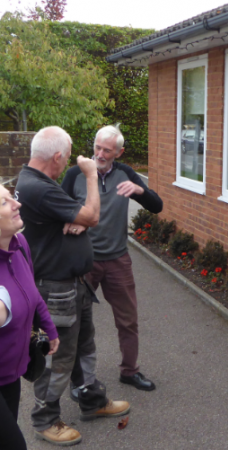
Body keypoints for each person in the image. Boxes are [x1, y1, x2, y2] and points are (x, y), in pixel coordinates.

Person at [15, 126, 130, 446]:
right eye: (65, 157)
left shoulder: (35, 182)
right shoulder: (39, 187)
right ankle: (45, 419)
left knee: (84, 349)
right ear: (56, 157)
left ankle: (91, 400)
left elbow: (77, 216)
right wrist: (91, 175)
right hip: (57, 287)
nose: (69, 162)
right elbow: (92, 215)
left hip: (73, 284)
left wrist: (78, 218)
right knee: (59, 356)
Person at [62, 125, 163, 392]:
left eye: (107, 150)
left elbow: (157, 206)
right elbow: (58, 211)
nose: (100, 154)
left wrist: (140, 191)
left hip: (118, 260)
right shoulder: (76, 174)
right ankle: (78, 379)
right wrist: (76, 221)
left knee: (128, 320)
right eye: (97, 147)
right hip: (84, 262)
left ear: (119, 152)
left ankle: (129, 372)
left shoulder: (125, 173)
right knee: (74, 321)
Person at [0, 184, 59, 450]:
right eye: (3, 202)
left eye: (11, 196)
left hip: (11, 370)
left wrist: (48, 327)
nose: (16, 204)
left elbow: (32, 292)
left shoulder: (20, 244)